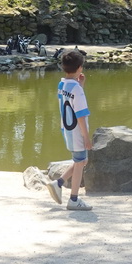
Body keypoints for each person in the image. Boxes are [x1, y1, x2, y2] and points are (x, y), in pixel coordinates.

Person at [45, 49, 93, 211]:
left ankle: (58, 183)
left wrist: (80, 85)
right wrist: (86, 137)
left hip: (66, 130)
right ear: (80, 68)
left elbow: (68, 100)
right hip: (77, 132)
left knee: (81, 160)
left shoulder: (62, 84)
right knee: (80, 163)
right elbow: (80, 114)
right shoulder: (76, 90)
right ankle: (73, 199)